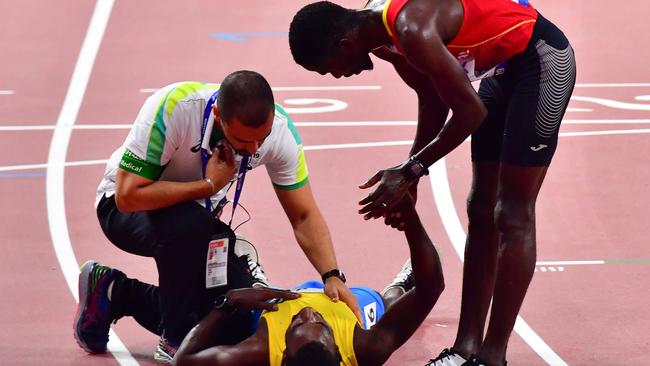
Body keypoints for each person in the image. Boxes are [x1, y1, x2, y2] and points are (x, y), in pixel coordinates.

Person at [289, 1, 576, 365]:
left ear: (344, 46)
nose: (336, 77)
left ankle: (492, 357)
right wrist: (410, 174)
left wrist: (412, 170)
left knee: (512, 211)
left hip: (541, 60)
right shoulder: (377, 37)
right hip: (501, 71)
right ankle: (465, 349)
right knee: (480, 207)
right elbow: (433, 100)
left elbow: (471, 112)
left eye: (328, 70)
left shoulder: (411, 31)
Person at [73, 70, 361, 363]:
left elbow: (303, 214)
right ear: (217, 115)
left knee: (237, 318)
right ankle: (174, 338)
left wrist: (332, 275)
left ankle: (115, 292)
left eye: (260, 140)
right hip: (126, 212)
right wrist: (208, 186)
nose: (252, 150)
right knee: (191, 227)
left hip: (200, 226)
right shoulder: (174, 108)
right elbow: (127, 195)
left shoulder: (281, 132)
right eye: (241, 140)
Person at [172, 194, 445, 366]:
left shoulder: (261, 351)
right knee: (388, 301)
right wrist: (411, 219)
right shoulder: (363, 348)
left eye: (298, 324)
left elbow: (184, 360)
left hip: (278, 306)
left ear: (284, 356)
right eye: (320, 324)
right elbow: (432, 286)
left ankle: (259, 283)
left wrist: (227, 303)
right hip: (342, 305)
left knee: (250, 307)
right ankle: (401, 282)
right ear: (338, 350)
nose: (309, 312)